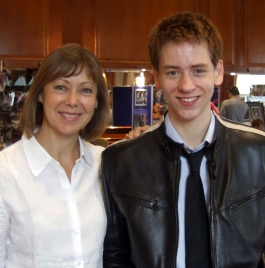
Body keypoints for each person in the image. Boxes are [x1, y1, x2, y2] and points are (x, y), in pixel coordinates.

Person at [101, 11, 265, 267]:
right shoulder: (121, 161)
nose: (187, 86)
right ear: (157, 76)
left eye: (198, 70)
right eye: (173, 72)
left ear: (218, 71)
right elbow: (116, 256)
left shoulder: (259, 153)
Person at [0, 43, 110, 267]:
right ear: (41, 93)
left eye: (86, 90)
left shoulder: (106, 162)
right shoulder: (5, 170)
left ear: (97, 101)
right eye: (61, 87)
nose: (72, 100)